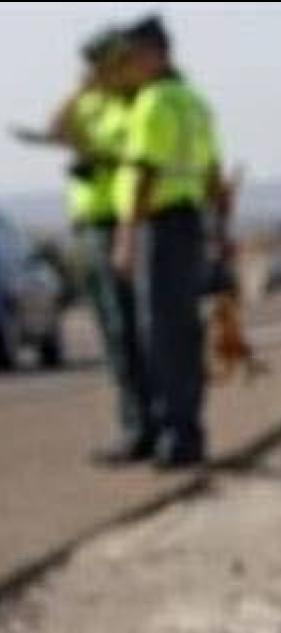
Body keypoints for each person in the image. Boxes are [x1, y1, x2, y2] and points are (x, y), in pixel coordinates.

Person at [12, 26, 153, 463]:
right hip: (90, 225)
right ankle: (137, 424)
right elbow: (56, 128)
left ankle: (144, 427)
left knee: (129, 331)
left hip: (119, 223)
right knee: (115, 334)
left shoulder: (131, 106)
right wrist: (80, 90)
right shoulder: (93, 102)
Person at [112, 15, 231, 468]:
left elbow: (144, 171)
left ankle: (174, 434)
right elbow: (213, 173)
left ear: (152, 54)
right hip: (190, 225)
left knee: (160, 335)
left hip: (159, 225)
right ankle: (188, 430)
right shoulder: (194, 103)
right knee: (183, 332)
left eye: (133, 57)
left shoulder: (154, 103)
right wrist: (218, 232)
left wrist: (125, 238)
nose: (130, 67)